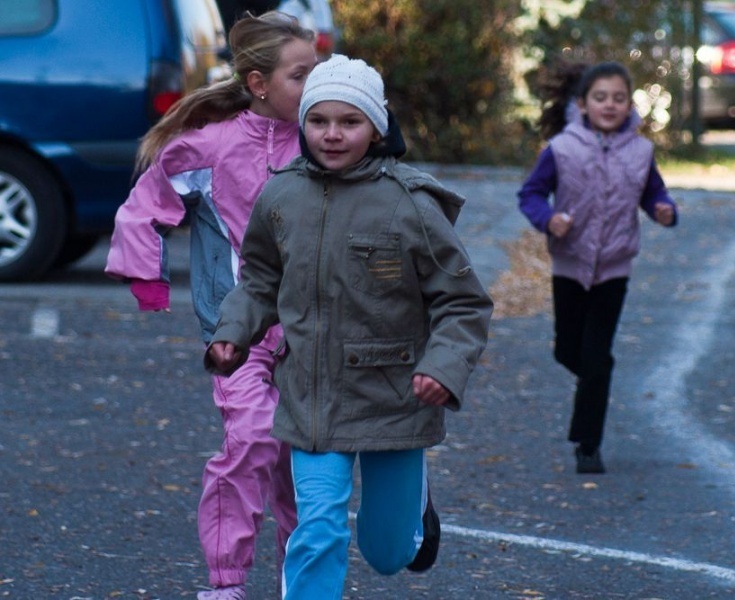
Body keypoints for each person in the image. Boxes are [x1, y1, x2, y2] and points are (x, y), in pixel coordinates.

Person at [204, 54, 493, 598]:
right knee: (315, 530)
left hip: (395, 400)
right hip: (312, 399)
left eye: (349, 122)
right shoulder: (281, 195)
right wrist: (232, 332)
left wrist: (443, 369)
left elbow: (462, 301)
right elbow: (261, 279)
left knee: (387, 554)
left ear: (376, 126)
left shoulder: (411, 205)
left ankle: (413, 514)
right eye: (319, 121)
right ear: (304, 122)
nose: (332, 135)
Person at [105, 12, 318, 599]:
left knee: (301, 469)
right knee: (252, 438)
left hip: (312, 335)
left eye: (317, 72)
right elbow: (144, 207)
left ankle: (302, 584)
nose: (313, 86)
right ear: (257, 83)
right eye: (300, 75)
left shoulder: (324, 141)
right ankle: (224, 583)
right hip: (237, 334)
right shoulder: (211, 146)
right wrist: (148, 280)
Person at [517, 60, 678, 474]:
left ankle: (588, 445)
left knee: (598, 356)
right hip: (569, 264)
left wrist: (664, 210)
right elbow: (531, 194)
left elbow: (654, 192)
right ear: (583, 104)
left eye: (619, 98)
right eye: (601, 97)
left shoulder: (641, 151)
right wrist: (549, 219)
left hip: (614, 267)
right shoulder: (561, 148)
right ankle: (594, 376)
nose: (610, 105)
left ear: (630, 105)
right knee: (567, 350)